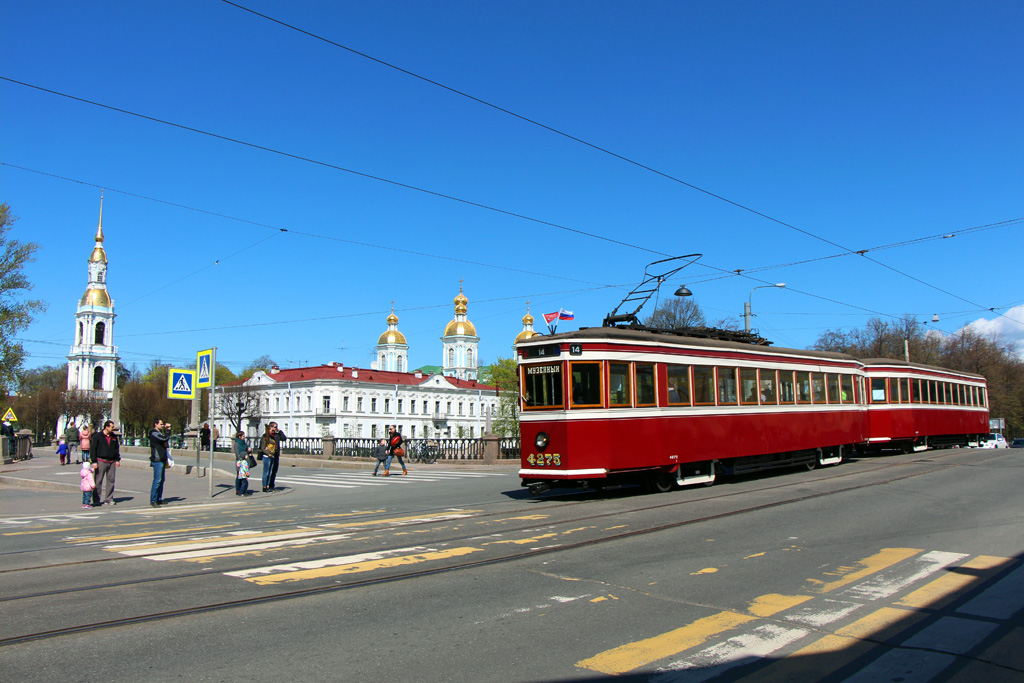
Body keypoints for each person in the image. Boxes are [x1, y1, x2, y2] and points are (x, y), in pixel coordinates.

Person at [90, 421, 121, 506]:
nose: (113, 428)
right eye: (111, 427)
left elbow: (116, 449)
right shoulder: (97, 436)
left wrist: (117, 459)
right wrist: (94, 461)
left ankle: (109, 499)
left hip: (111, 461)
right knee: (98, 481)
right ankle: (96, 500)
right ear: (106, 427)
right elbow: (93, 449)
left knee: (111, 480)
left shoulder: (114, 437)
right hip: (101, 461)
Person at [149, 419, 171, 508]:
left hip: (162, 458)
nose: (162, 426)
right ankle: (153, 500)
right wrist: (168, 430)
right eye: (161, 424)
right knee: (157, 480)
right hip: (157, 459)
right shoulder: (153, 433)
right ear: (156, 424)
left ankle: (159, 498)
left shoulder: (159, 433)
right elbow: (163, 439)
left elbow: (164, 442)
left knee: (161, 480)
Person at [259, 423, 279, 492]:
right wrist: (268, 453)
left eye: (274, 431)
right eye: (272, 430)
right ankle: (264, 486)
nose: (273, 432)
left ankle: (268, 486)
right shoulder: (265, 437)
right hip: (266, 457)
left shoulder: (272, 437)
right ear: (268, 430)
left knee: (270, 472)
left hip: (272, 456)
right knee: (266, 472)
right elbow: (262, 448)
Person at [267, 421, 285, 490]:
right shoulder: (268, 435)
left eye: (276, 427)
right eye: (275, 427)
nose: (275, 428)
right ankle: (267, 485)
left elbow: (284, 438)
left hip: (276, 455)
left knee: (274, 471)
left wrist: (280, 431)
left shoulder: (277, 435)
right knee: (268, 471)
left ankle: (271, 485)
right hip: (270, 455)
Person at [234, 431, 251, 496]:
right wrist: (242, 458)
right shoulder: (237, 444)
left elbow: (246, 450)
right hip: (240, 463)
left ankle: (243, 490)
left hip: (245, 462)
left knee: (244, 477)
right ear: (239, 437)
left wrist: (249, 449)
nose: (244, 437)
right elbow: (237, 454)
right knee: (239, 477)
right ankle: (238, 490)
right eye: (243, 436)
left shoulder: (244, 443)